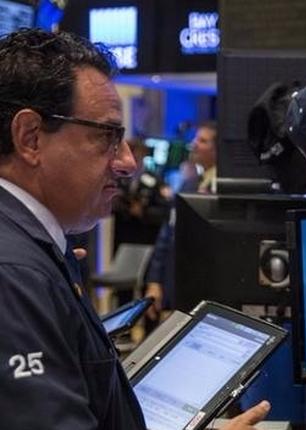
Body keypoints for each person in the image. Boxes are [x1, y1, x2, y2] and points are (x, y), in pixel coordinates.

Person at [0, 28, 269, 429]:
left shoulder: (33, 254)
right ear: (31, 138)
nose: (127, 162)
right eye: (107, 136)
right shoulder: (15, 275)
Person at [144, 121, 217, 324]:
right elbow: (166, 235)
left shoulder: (227, 190)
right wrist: (155, 280)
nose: (194, 144)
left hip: (210, 287)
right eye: (195, 139)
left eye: (202, 140)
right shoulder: (189, 185)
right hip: (178, 284)